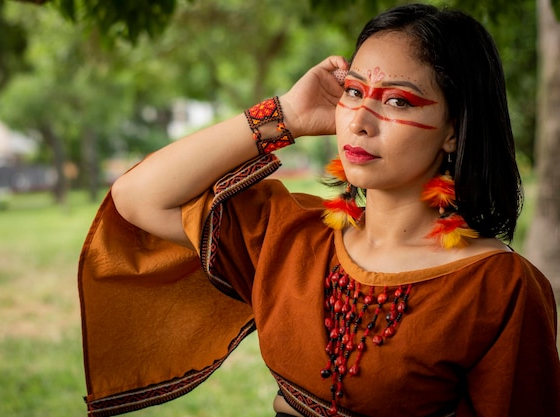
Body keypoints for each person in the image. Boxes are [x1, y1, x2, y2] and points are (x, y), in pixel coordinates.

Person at [77, 3, 560, 417]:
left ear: (453, 131)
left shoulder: (499, 287)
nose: (361, 122)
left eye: (397, 100)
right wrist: (282, 114)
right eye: (353, 91)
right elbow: (139, 197)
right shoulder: (290, 238)